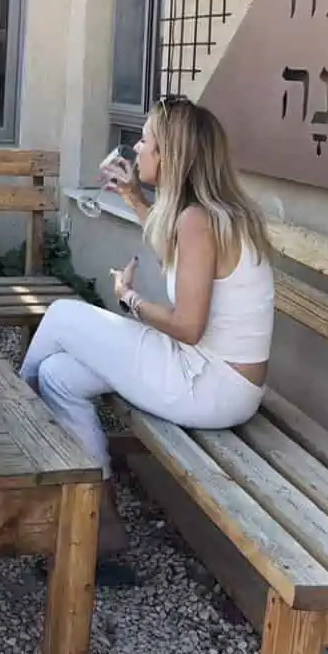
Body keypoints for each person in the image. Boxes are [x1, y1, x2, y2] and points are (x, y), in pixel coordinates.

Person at [20, 96, 274, 579]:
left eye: (147, 141)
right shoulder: (214, 213)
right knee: (58, 376)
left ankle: (10, 437)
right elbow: (175, 252)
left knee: (60, 315)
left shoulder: (199, 221)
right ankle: (103, 523)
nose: (137, 147)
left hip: (209, 385)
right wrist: (135, 197)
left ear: (172, 157)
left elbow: (188, 327)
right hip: (214, 376)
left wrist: (129, 299)